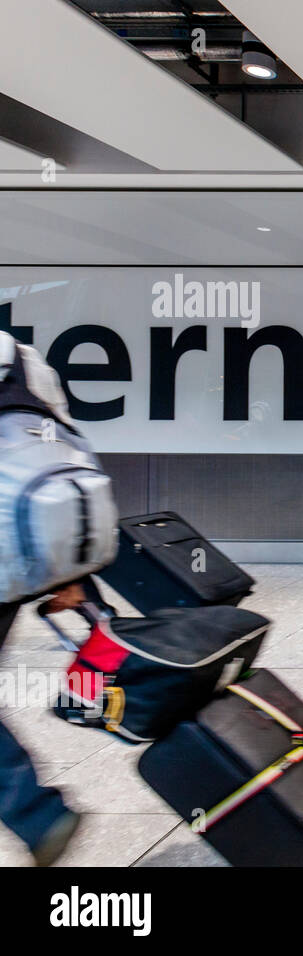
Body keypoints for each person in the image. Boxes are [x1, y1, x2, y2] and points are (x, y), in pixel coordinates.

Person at [0, 330, 83, 865]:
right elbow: (61, 462)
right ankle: (34, 812)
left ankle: (36, 812)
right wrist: (64, 573)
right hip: (16, 554)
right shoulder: (24, 358)